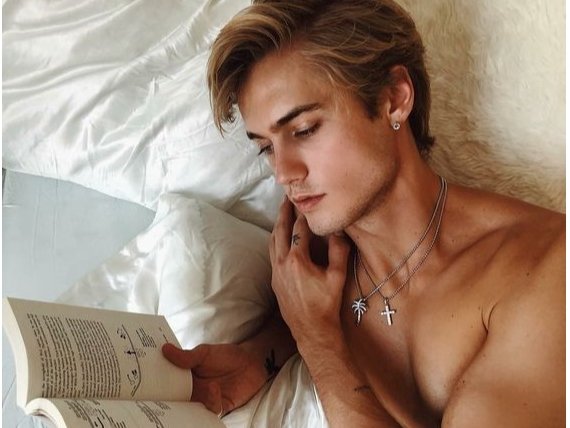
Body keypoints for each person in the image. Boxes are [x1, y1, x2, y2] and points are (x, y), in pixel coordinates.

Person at [162, 0, 566, 426]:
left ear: (394, 98)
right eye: (266, 147)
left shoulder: (546, 269)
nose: (283, 173)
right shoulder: (311, 274)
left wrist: (318, 343)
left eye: (304, 130)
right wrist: (257, 358)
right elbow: (310, 314)